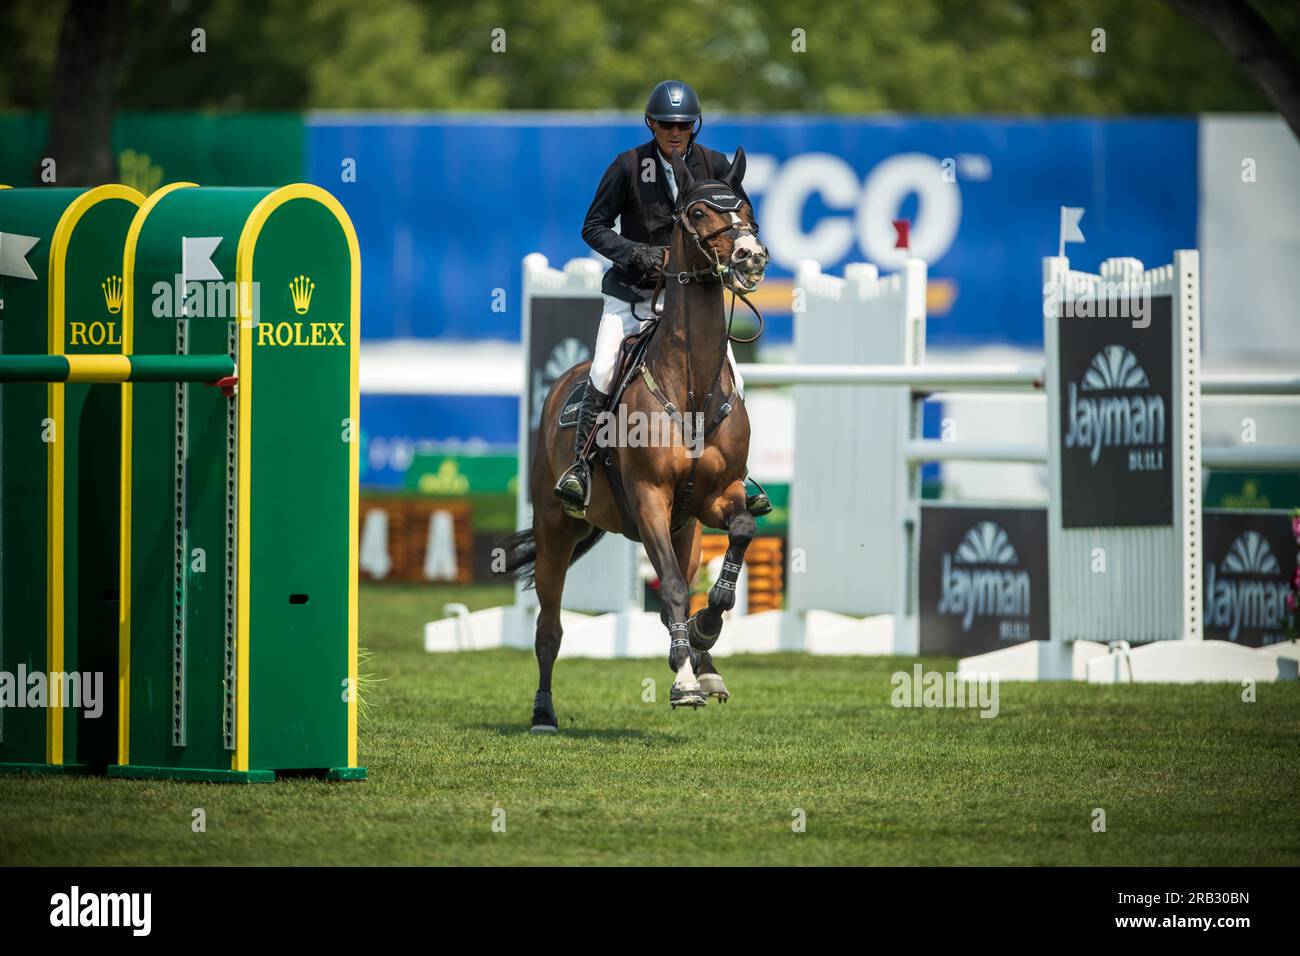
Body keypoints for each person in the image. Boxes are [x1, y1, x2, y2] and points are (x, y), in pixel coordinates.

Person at [555, 79, 771, 517]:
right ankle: (580, 466)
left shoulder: (715, 164)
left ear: (695, 125)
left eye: (684, 125)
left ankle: (737, 472)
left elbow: (744, 220)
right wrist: (637, 252)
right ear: (651, 123)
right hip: (633, 295)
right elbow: (593, 227)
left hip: (694, 304)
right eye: (668, 124)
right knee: (603, 368)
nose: (676, 132)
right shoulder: (628, 166)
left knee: (735, 378)